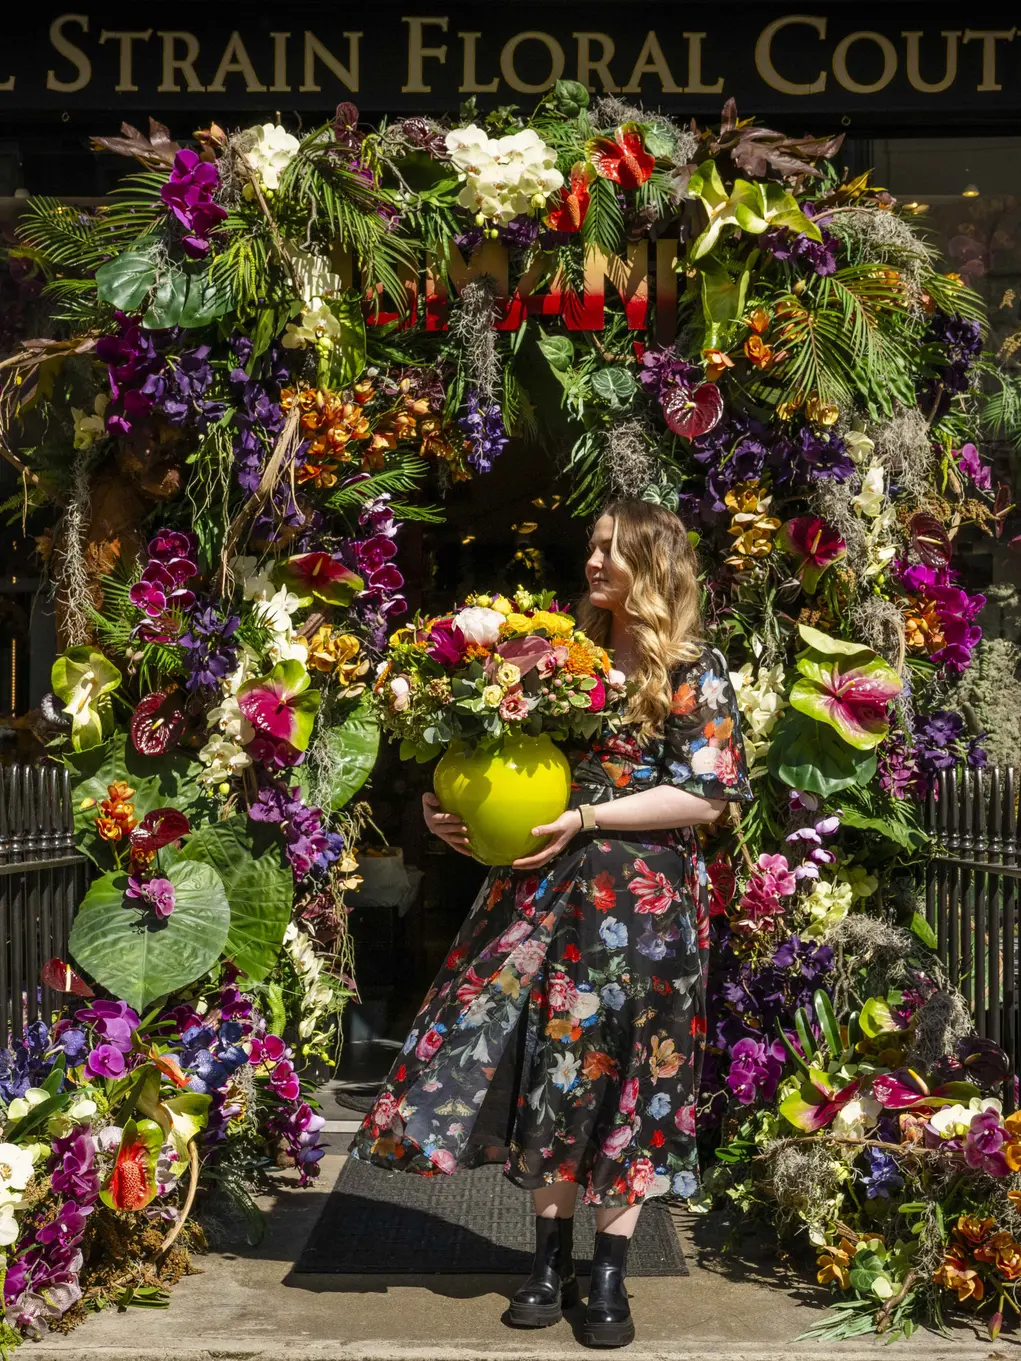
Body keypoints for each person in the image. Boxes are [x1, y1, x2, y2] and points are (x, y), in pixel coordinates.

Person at [350, 499, 752, 1348]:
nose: (594, 559)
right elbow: (499, 762)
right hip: (544, 901)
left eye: (611, 547)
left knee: (637, 1076)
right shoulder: (561, 661)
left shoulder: (692, 666)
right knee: (555, 1071)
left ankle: (607, 1270)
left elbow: (707, 795)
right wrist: (444, 806)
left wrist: (590, 818)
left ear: (651, 560)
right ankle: (545, 1258)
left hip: (644, 914)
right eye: (594, 545)